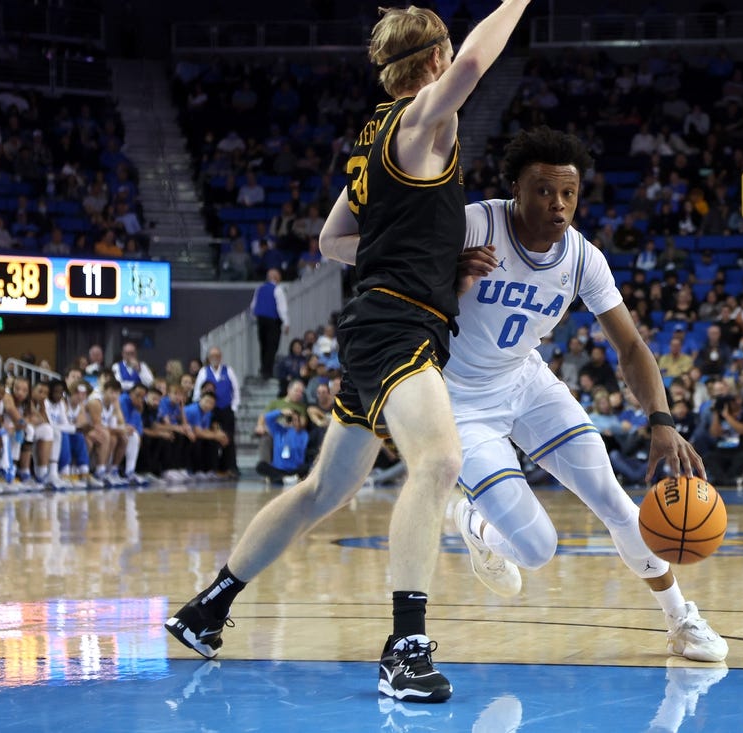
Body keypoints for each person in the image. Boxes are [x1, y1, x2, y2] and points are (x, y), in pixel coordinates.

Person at [165, 1, 534, 704]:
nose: (453, 67)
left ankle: (206, 607)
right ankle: (404, 650)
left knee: (322, 492)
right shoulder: (425, 120)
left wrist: (426, 257)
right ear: (432, 62)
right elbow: (477, 64)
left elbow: (334, 240)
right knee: (440, 462)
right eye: (445, 57)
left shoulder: (373, 143)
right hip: (396, 325)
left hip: (382, 321)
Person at [448, 126, 726, 663]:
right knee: (535, 550)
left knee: (615, 499)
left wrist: (662, 420)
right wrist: (443, 276)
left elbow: (630, 345)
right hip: (459, 402)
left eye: (568, 194)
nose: (558, 205)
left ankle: (681, 621)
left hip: (524, 382)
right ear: (516, 189)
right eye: (544, 191)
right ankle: (472, 522)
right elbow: (391, 277)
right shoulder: (472, 223)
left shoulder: (582, 258)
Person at [193, 347, 241, 476]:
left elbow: (236, 389)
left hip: (226, 409)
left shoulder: (228, 370)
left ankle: (230, 466)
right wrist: (200, 407)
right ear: (208, 358)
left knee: (228, 438)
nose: (215, 358)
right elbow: (198, 391)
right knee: (213, 437)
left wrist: (234, 406)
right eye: (212, 355)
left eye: (217, 355)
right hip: (211, 410)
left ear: (221, 357)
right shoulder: (204, 371)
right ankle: (211, 467)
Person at [251, 268, 290, 380]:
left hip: (261, 320)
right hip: (273, 320)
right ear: (276, 277)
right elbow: (282, 308)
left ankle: (264, 369)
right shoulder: (278, 289)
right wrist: (286, 322)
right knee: (272, 346)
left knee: (263, 345)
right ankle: (268, 371)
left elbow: (253, 305)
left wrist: (255, 318)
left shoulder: (260, 288)